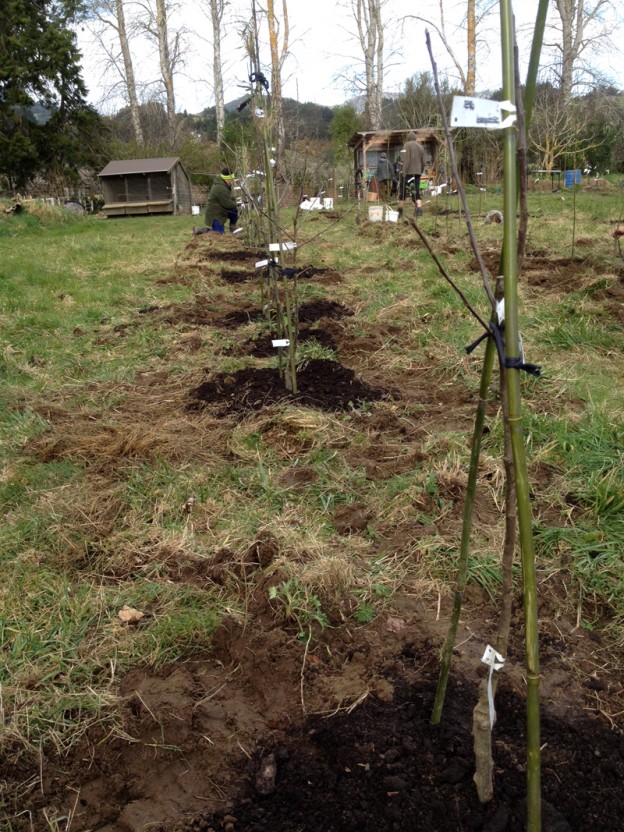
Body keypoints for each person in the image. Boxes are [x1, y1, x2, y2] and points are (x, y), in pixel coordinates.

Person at [193, 167, 239, 235]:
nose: (232, 181)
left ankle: (232, 227)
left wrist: (235, 201)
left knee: (234, 210)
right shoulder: (220, 188)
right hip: (215, 215)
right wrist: (238, 203)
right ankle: (201, 230)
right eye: (231, 179)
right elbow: (227, 204)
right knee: (219, 235)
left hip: (221, 211)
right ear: (226, 178)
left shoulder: (224, 184)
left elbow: (228, 198)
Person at [399, 131, 426, 218]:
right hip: (417, 173)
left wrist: (404, 172)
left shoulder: (406, 145)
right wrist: (420, 171)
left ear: (408, 138)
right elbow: (423, 162)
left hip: (408, 173)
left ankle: (400, 210)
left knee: (403, 191)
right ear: (415, 138)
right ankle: (419, 210)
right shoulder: (420, 147)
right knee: (416, 191)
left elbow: (406, 160)